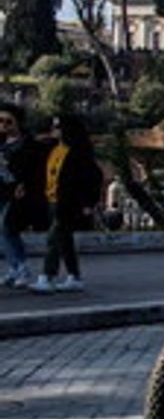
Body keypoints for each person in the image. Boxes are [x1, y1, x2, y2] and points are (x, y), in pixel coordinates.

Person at [30, 115, 102, 294]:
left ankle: (47, 276)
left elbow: (93, 178)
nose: (54, 130)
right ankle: (74, 276)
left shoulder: (78, 152)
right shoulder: (52, 149)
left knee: (53, 238)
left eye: (57, 127)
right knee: (64, 241)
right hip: (51, 200)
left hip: (68, 202)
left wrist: (88, 202)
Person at [0, 103, 36, 288]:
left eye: (8, 121)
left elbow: (33, 169)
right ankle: (14, 268)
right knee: (3, 232)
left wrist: (25, 185)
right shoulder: (1, 142)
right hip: (1, 190)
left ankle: (22, 268)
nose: (4, 125)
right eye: (0, 121)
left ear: (18, 122)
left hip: (16, 193)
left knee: (7, 229)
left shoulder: (27, 143)